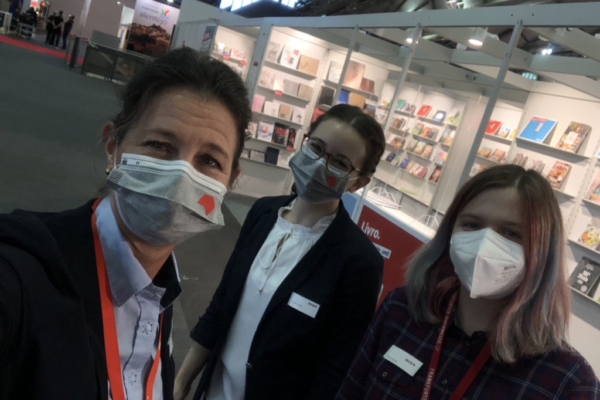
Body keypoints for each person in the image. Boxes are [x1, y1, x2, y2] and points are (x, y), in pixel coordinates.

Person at [0, 48, 252, 400]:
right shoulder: (24, 274)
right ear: (113, 145)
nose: (182, 176)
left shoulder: (159, 292)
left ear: (230, 180)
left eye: (209, 160)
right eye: (160, 145)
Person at [174, 104, 386, 400]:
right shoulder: (263, 212)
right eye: (316, 147)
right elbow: (223, 304)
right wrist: (183, 379)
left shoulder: (358, 262)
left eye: (339, 162)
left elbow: (334, 370)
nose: (319, 165)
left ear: (359, 182)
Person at [335, 165, 600, 400]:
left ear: (543, 252)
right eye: (472, 225)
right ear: (450, 231)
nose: (485, 245)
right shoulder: (401, 310)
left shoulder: (570, 383)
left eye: (511, 233)